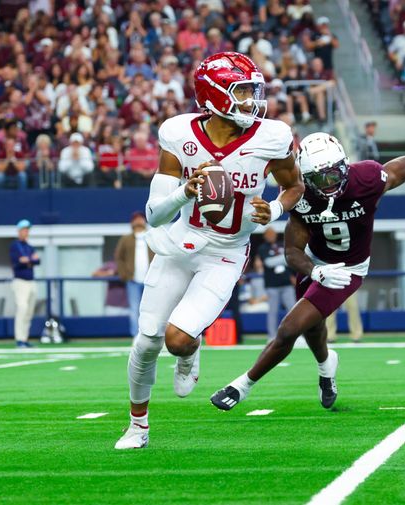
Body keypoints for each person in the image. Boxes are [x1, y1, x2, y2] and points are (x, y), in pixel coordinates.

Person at [115, 52, 305, 450]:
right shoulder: (179, 134)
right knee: (148, 339)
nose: (252, 101)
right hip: (178, 244)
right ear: (213, 96)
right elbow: (153, 214)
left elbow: (294, 187)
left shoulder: (271, 137)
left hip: (225, 252)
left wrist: (273, 209)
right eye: (242, 92)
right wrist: (185, 190)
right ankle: (138, 425)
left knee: (177, 339)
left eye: (254, 92)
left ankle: (190, 349)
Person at [210, 132, 405, 412]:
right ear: (307, 179)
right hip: (315, 261)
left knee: (288, 329)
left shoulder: (368, 178)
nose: (330, 183)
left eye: (334, 174)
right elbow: (292, 252)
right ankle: (326, 368)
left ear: (346, 165)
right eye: (320, 178)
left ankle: (242, 386)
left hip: (349, 269)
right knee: (312, 325)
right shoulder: (301, 195)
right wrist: (316, 271)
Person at [114, 211, 150, 337]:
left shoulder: (151, 236)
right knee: (134, 309)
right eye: (136, 219)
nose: (139, 221)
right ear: (132, 222)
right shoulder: (126, 239)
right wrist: (125, 275)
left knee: (151, 309)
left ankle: (151, 334)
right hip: (133, 280)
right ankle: (136, 335)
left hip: (150, 281)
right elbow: (119, 257)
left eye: (141, 219)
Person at [257, 226, 295, 342]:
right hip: (272, 285)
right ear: (265, 236)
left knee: (293, 311)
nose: (271, 236)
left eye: (273, 234)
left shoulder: (282, 245)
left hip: (287, 283)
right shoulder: (263, 248)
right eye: (268, 234)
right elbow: (269, 263)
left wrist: (292, 275)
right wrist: (285, 258)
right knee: (272, 312)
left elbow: (292, 261)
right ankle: (272, 336)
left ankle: (295, 336)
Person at [9, 219, 40, 348]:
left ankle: (25, 338)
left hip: (31, 281)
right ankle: (19, 339)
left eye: (28, 230)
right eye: (24, 230)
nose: (26, 232)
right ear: (19, 231)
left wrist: (29, 260)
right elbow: (20, 261)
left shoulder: (29, 246)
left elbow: (37, 260)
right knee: (22, 309)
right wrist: (29, 260)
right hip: (20, 282)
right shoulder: (15, 246)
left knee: (29, 311)